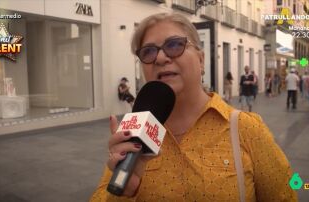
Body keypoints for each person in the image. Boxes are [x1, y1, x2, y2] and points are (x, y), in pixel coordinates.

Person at [91, 13, 297, 201]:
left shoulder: (246, 128)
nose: (161, 58)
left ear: (201, 58)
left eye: (174, 45)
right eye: (148, 51)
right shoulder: (134, 132)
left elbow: (286, 195)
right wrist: (124, 191)